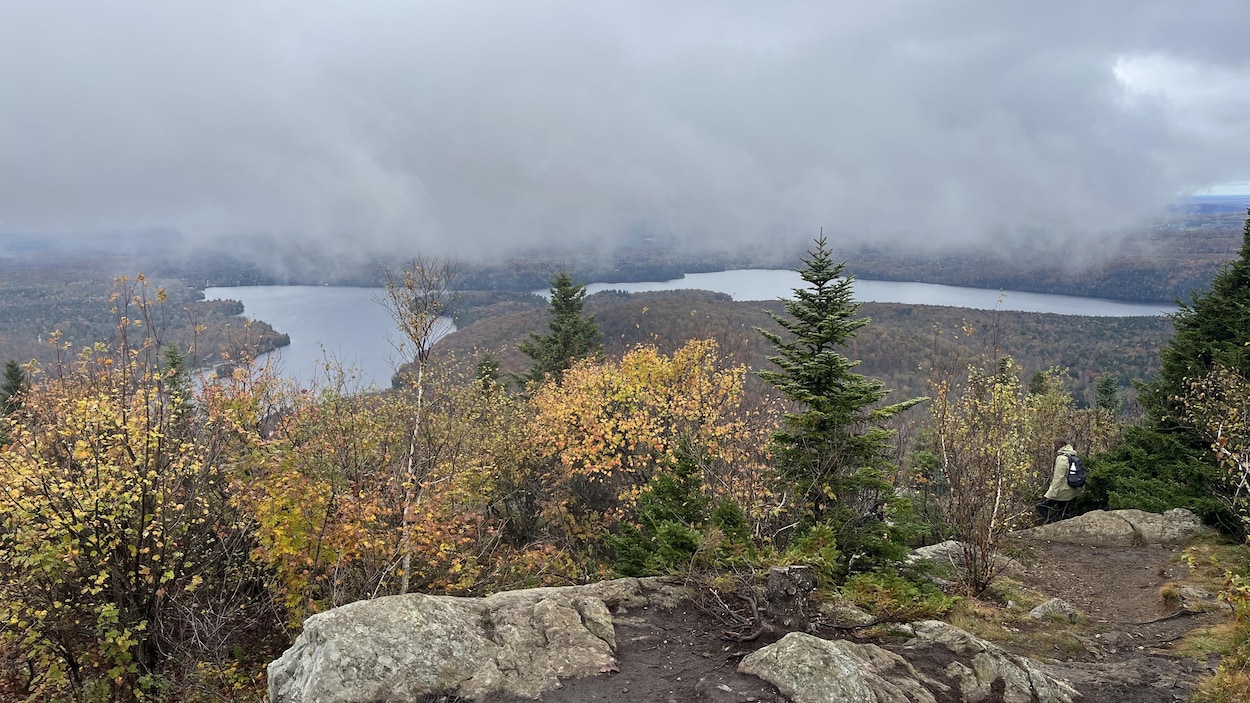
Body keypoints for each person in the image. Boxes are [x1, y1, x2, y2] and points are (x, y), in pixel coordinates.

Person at [1036, 441, 1082, 524]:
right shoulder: (1071, 455)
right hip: (1070, 490)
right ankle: (1068, 527)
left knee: (1041, 506)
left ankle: (1050, 524)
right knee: (1064, 513)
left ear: (1058, 446)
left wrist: (1052, 494)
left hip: (1062, 491)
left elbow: (1058, 478)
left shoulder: (1062, 459)